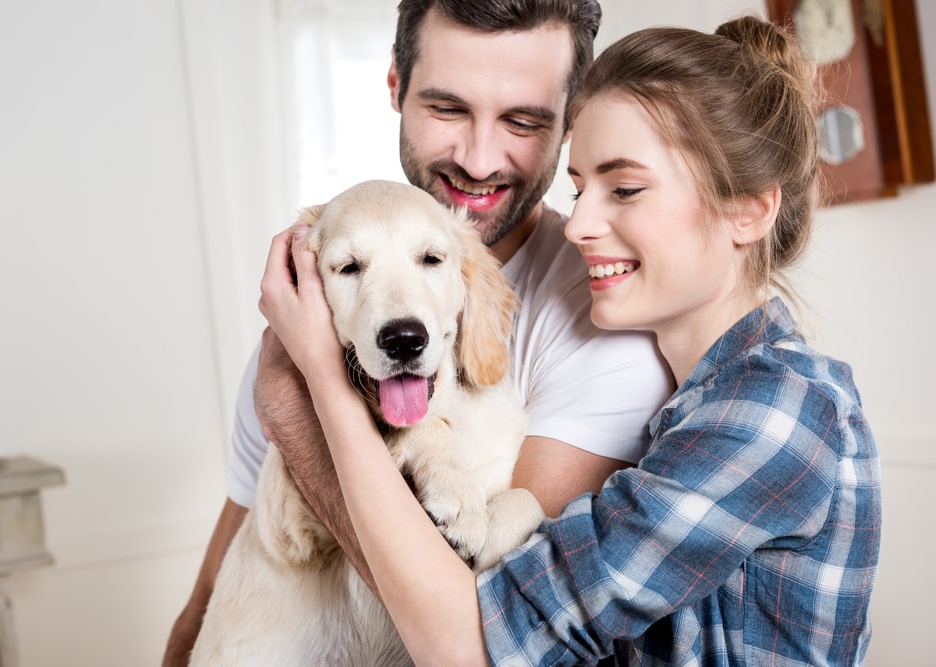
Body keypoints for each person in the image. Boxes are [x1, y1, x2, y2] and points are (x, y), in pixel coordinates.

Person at [260, 14, 882, 666]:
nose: (579, 224)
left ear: (748, 210)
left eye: (624, 189)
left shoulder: (772, 409)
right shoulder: (697, 401)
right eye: (579, 188)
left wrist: (321, 387)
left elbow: (473, 646)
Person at [162, 1, 675, 664]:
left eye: (522, 119)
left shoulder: (603, 326)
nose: (479, 159)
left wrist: (304, 406)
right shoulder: (318, 292)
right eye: (447, 108)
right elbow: (218, 588)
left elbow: (484, 633)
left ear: (571, 119)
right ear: (395, 87)